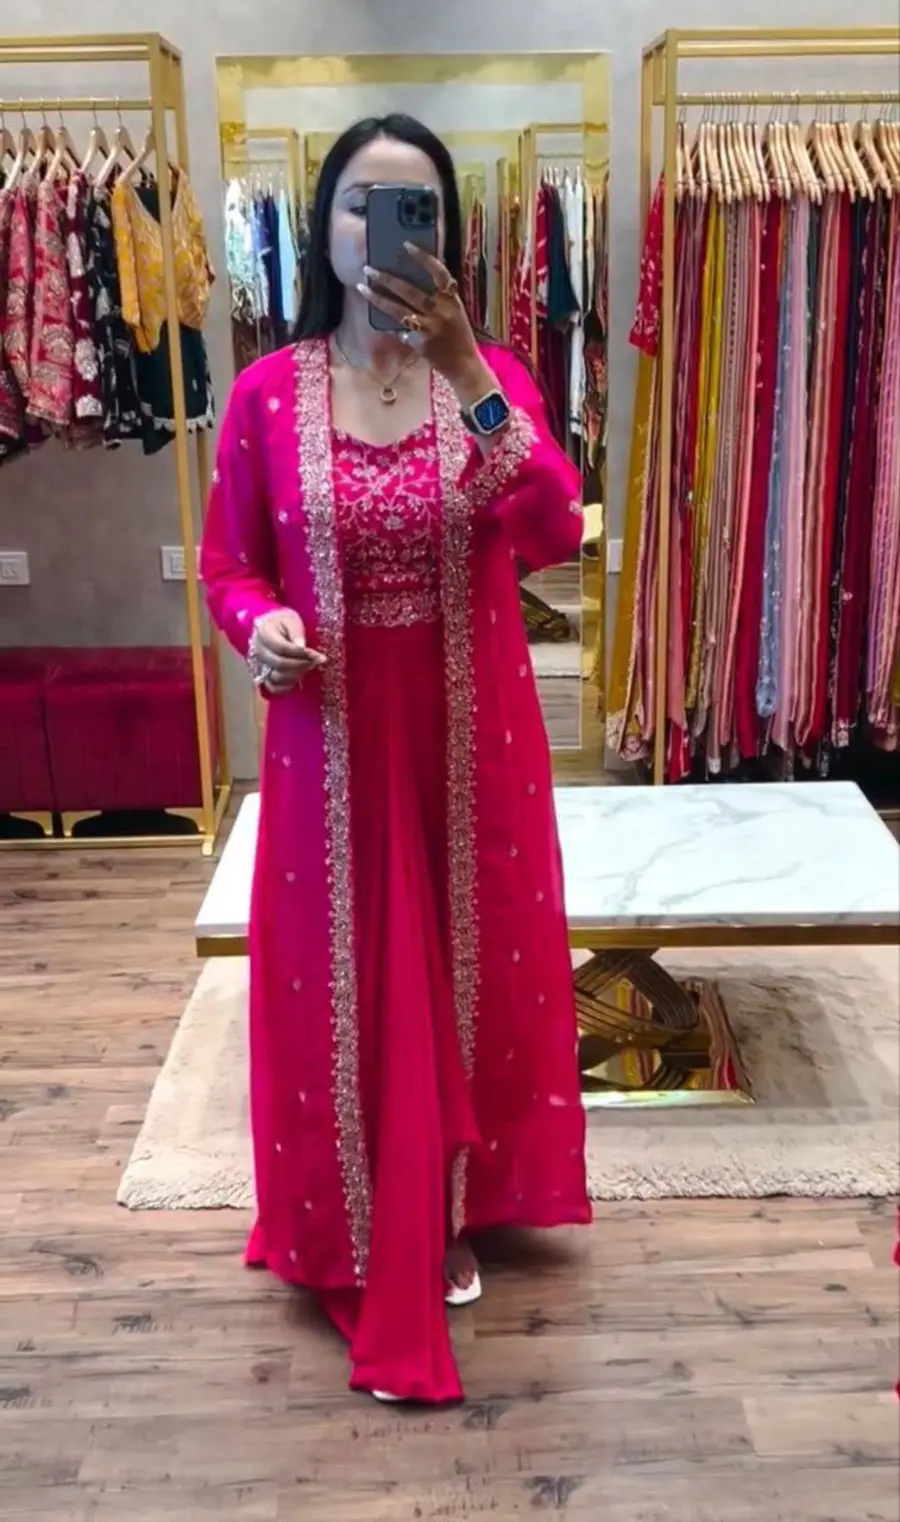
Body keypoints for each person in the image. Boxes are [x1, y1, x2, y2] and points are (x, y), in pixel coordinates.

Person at [200, 113, 591, 1406]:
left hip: (465, 740)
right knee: (344, 978)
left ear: (446, 230)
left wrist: (466, 361)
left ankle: (449, 1200)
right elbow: (229, 564)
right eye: (361, 202)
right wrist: (259, 627)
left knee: (467, 972)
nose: (383, 225)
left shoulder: (490, 378)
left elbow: (553, 528)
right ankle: (346, 1208)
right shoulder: (268, 394)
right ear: (323, 226)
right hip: (328, 745)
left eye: (411, 203)